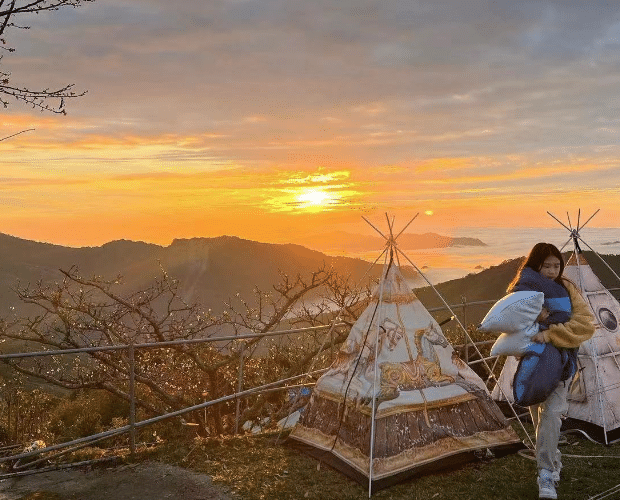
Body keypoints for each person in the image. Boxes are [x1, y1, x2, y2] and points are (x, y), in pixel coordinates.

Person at [507, 242, 595, 500]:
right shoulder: (523, 290)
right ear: (537, 265)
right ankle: (553, 460)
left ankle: (545, 475)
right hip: (534, 364)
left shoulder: (568, 289)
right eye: (547, 266)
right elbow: (513, 319)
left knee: (553, 414)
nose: (552, 271)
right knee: (539, 419)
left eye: (557, 265)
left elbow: (584, 324)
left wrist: (551, 331)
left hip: (561, 361)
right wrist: (537, 319)